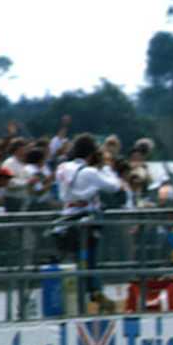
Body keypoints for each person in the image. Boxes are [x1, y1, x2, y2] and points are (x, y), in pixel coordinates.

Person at [57, 133, 126, 313]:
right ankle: (95, 291)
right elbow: (115, 186)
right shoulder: (90, 172)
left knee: (73, 261)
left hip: (67, 218)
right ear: (90, 153)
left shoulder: (62, 168)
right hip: (87, 220)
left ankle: (84, 294)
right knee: (90, 260)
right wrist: (106, 167)